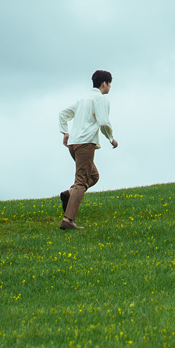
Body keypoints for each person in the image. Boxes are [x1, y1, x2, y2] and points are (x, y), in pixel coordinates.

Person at [57, 70, 117, 230]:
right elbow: (103, 122)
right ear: (104, 83)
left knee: (94, 176)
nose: (110, 87)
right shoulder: (100, 99)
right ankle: (68, 220)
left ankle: (69, 194)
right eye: (110, 84)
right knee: (82, 181)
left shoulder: (83, 98)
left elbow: (63, 114)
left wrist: (65, 132)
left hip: (73, 144)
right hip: (85, 144)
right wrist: (111, 138)